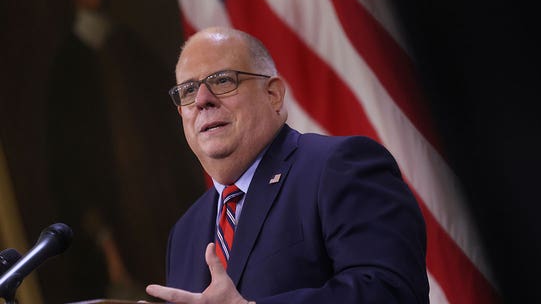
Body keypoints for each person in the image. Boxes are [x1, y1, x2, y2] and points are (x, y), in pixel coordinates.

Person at [145, 26, 430, 304]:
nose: (203, 100)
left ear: (273, 94)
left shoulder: (340, 166)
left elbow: (391, 291)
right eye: (189, 90)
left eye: (222, 81)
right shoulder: (184, 234)